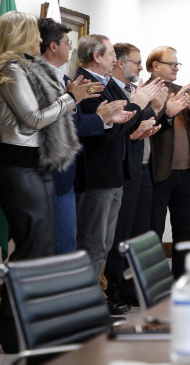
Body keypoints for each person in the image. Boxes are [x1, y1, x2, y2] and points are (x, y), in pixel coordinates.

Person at [0, 12, 97, 353]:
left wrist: (69, 98)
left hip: (36, 164)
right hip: (17, 165)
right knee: (31, 249)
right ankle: (14, 335)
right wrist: (73, 99)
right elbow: (33, 119)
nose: (40, 41)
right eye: (34, 35)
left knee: (41, 249)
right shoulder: (10, 69)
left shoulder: (29, 69)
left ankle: (30, 328)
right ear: (19, 35)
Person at [75, 34, 161, 299]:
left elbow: (121, 124)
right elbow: (102, 131)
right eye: (112, 54)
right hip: (97, 174)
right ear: (97, 56)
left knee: (105, 242)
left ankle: (98, 298)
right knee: (93, 242)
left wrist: (140, 117)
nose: (115, 60)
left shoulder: (106, 84)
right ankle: (88, 303)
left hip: (114, 173)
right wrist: (137, 106)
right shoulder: (86, 85)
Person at [37, 18, 131, 254]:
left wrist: (107, 119)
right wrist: (102, 118)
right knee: (63, 247)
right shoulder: (46, 79)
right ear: (53, 46)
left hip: (68, 174)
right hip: (51, 171)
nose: (71, 48)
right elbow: (62, 123)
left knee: (70, 246)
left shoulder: (67, 80)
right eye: (67, 42)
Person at [102, 43, 165, 310]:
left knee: (138, 232)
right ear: (119, 63)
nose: (141, 67)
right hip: (123, 169)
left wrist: (157, 112)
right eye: (137, 62)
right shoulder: (110, 90)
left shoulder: (133, 91)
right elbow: (115, 129)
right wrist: (136, 124)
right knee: (120, 235)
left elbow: (139, 122)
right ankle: (114, 290)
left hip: (142, 167)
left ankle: (130, 287)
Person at [147, 46, 190, 278]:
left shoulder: (179, 91)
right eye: (171, 64)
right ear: (155, 66)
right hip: (159, 172)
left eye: (177, 64)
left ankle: (182, 279)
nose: (175, 68)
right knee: (154, 230)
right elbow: (149, 129)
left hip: (186, 172)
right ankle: (153, 281)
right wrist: (168, 114)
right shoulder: (145, 92)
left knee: (184, 229)